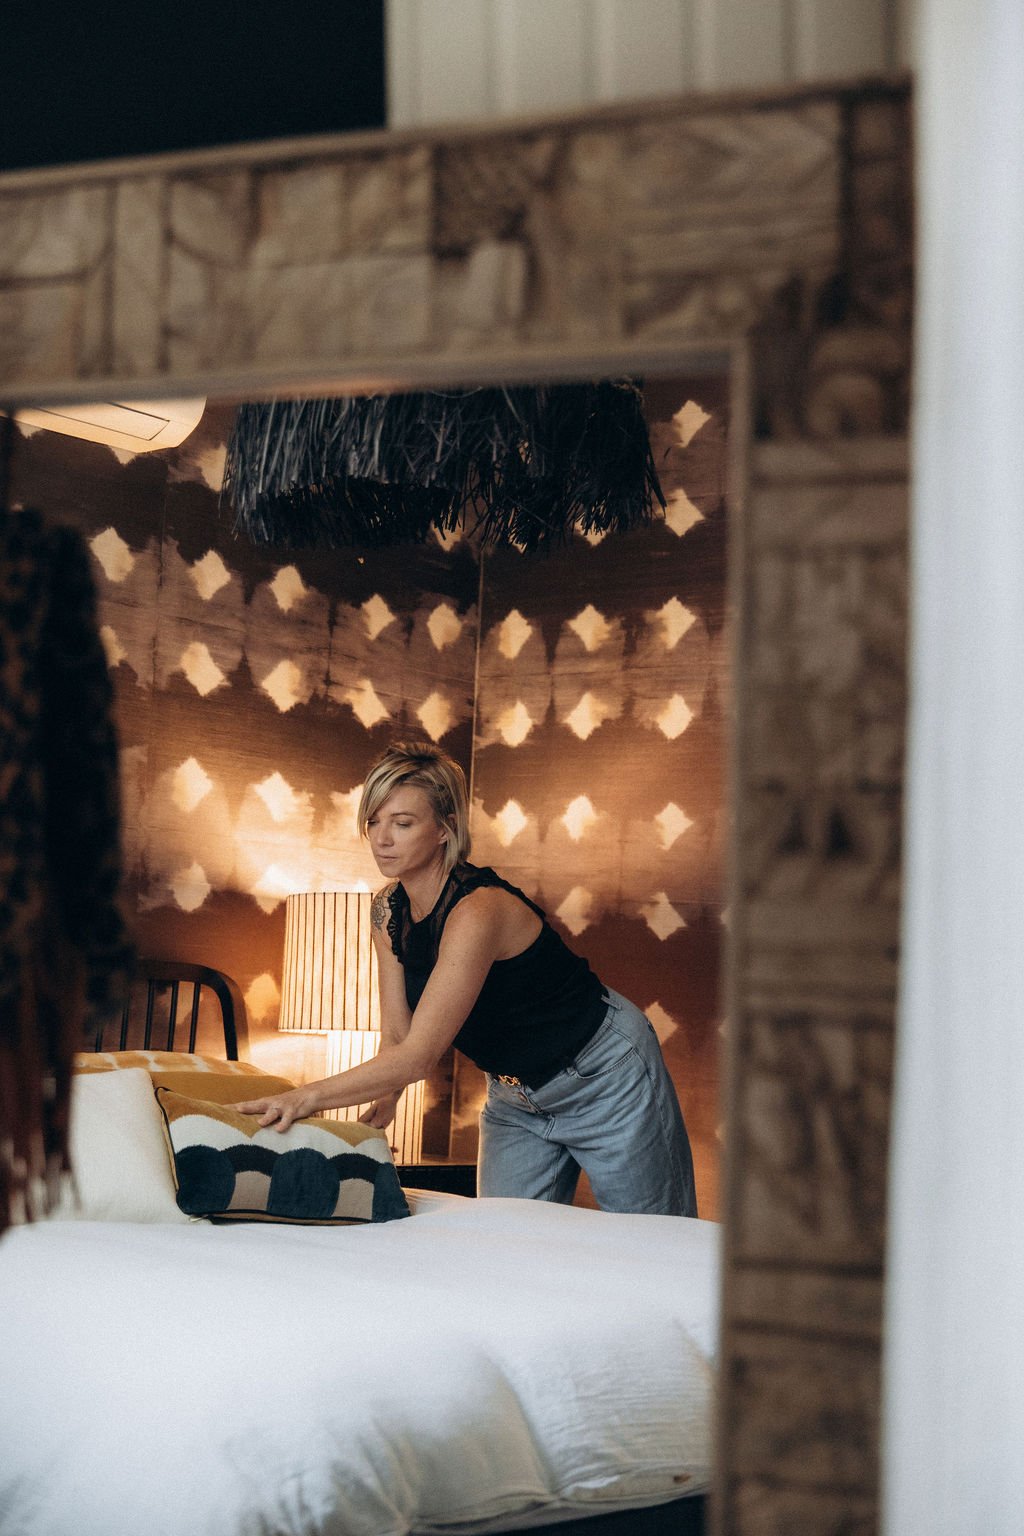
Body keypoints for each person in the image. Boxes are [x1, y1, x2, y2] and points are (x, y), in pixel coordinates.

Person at [237, 742, 697, 1217]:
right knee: (501, 1242)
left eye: (403, 822)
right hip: (516, 1097)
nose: (381, 839)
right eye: (374, 821)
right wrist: (388, 1095)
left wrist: (303, 1096)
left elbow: (418, 1056)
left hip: (605, 1076)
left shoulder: (479, 910)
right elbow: (399, 1034)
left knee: (656, 1238)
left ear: (445, 829)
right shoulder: (385, 910)